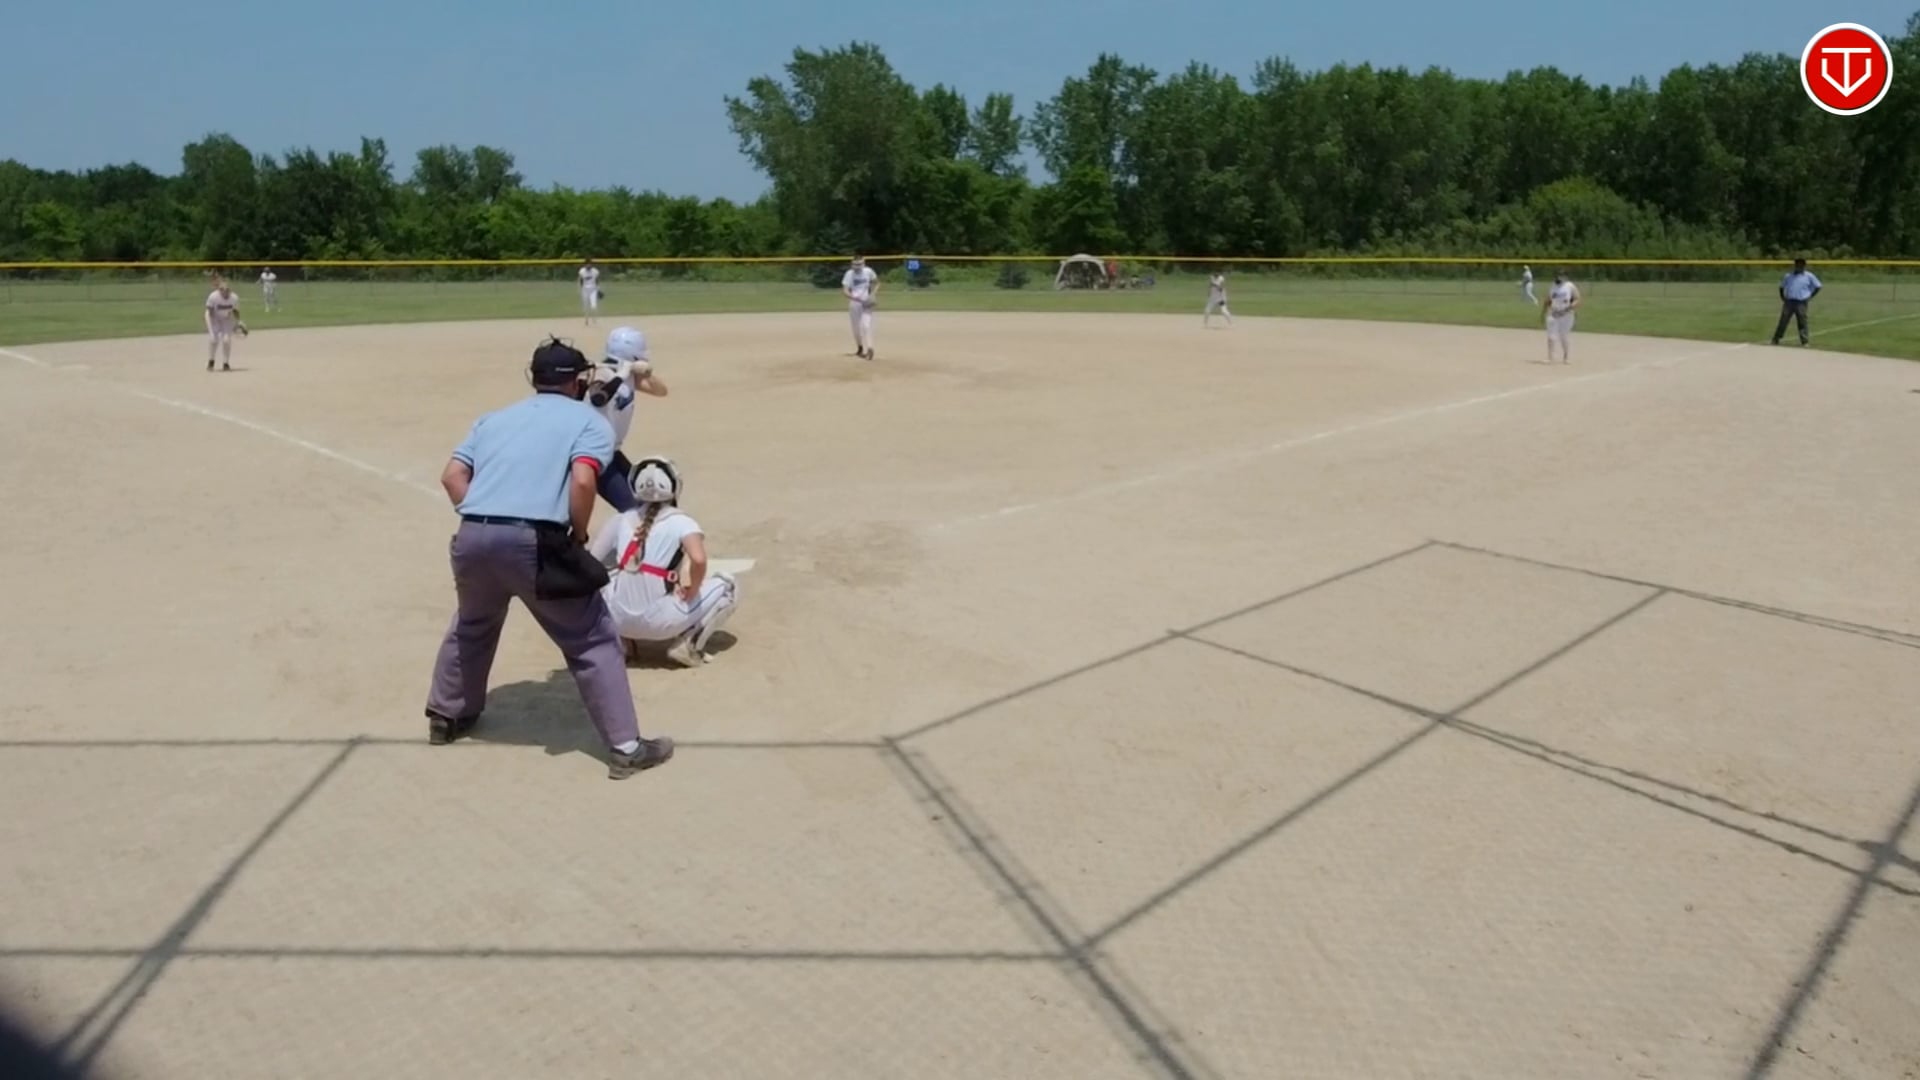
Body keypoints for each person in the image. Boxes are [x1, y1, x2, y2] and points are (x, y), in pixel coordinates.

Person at [423, 336, 674, 780]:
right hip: (534, 540)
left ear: (534, 378)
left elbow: (452, 477)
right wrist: (577, 532)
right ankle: (627, 747)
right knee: (593, 637)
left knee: (473, 623)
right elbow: (583, 481)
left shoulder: (493, 419)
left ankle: (447, 716)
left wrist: (484, 519)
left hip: (472, 535)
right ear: (578, 382)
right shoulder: (590, 422)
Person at [590, 456, 739, 667]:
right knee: (729, 586)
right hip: (662, 623)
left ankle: (621, 643)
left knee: (609, 575)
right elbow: (698, 559)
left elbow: (591, 563)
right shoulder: (682, 522)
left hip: (619, 619)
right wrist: (692, 589)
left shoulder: (620, 520)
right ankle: (688, 644)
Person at [586, 324, 670, 513]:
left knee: (644, 496)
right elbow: (597, 397)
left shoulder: (630, 377)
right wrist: (621, 374)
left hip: (613, 451)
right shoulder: (601, 373)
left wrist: (645, 373)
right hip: (596, 454)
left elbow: (661, 391)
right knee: (633, 509)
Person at [1772, 258, 1822, 347]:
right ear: (1795, 265)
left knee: (1802, 321)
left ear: (1804, 266)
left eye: (1801, 265)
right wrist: (1783, 297)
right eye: (1797, 265)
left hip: (1801, 302)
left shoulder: (1809, 276)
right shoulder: (1788, 276)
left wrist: (1810, 296)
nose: (1799, 267)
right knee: (1783, 321)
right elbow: (1782, 286)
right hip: (1789, 301)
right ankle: (1776, 339)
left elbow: (1818, 286)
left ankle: (1804, 341)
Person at [204, 276, 246, 371]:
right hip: (213, 318)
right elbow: (210, 312)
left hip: (226, 318)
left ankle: (226, 363)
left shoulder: (234, 298)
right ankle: (211, 361)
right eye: (222, 289)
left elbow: (235, 311)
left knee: (226, 340)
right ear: (219, 289)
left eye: (227, 289)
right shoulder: (213, 297)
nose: (225, 291)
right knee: (213, 340)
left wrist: (238, 321)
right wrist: (213, 329)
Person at [842, 254, 879, 359]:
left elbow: (877, 283)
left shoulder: (868, 271)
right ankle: (860, 347)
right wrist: (855, 298)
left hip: (866, 302)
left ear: (863, 264)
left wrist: (872, 294)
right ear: (852, 264)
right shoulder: (849, 274)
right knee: (856, 329)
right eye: (855, 264)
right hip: (855, 303)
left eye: (859, 264)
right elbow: (845, 291)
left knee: (866, 325)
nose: (857, 267)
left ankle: (870, 348)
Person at [1541, 269, 1581, 364]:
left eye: (1562, 275)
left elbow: (1577, 299)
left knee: (1564, 336)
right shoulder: (1553, 286)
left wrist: (1570, 307)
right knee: (1551, 336)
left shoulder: (1570, 286)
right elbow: (1548, 300)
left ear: (1566, 276)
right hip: (1554, 313)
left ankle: (1566, 357)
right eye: (1558, 275)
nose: (1560, 277)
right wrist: (1543, 313)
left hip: (1566, 314)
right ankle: (1550, 358)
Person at [578, 259, 601, 325]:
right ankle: (586, 319)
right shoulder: (582, 271)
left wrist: (598, 289)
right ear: (585, 265)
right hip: (585, 290)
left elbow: (597, 280)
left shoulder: (595, 271)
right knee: (585, 306)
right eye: (587, 264)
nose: (588, 265)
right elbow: (581, 280)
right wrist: (581, 288)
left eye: (590, 264)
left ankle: (594, 319)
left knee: (594, 306)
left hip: (593, 290)